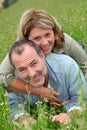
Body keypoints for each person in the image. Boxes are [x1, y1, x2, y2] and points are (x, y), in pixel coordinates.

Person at [0, 9, 87, 103]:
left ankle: (80, 46)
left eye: (47, 35)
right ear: (26, 40)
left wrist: (77, 98)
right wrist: (39, 91)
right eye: (37, 38)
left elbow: (85, 67)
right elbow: (2, 76)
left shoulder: (65, 41)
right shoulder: (21, 49)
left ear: (54, 31)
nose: (45, 43)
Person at [8, 39, 87, 127]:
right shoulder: (14, 80)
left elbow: (82, 99)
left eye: (34, 63)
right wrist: (24, 119)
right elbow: (14, 106)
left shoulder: (68, 67)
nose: (32, 74)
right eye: (22, 69)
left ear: (42, 56)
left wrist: (70, 115)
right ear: (16, 70)